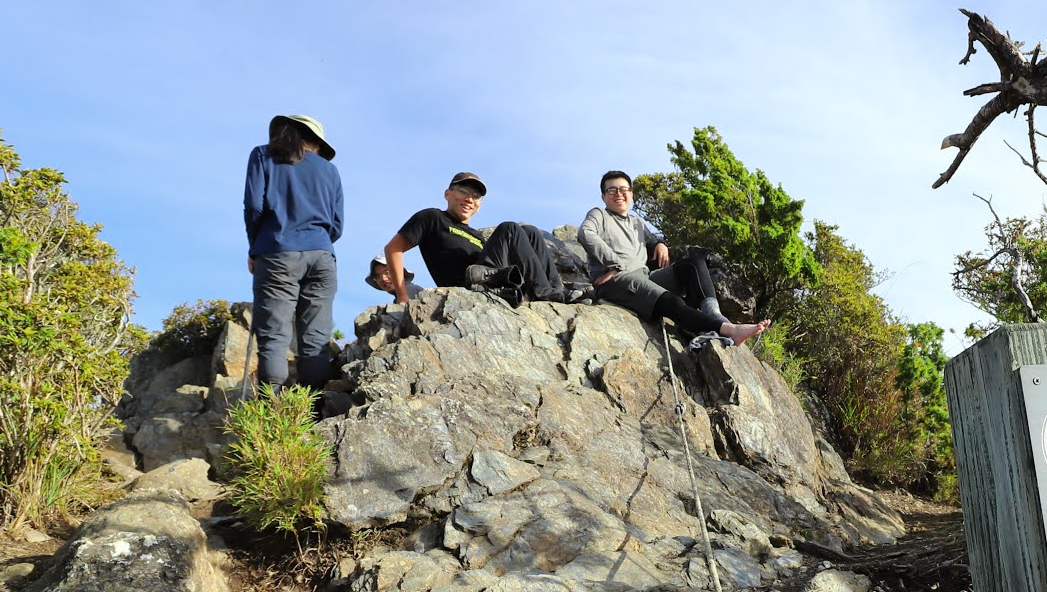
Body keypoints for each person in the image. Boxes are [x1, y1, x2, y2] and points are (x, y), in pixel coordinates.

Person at [580, 170, 769, 347]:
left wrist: (660, 244)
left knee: (693, 265)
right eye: (612, 190)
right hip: (617, 281)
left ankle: (714, 316)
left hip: (644, 276)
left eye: (623, 189)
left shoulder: (637, 223)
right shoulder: (599, 215)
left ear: (631, 194)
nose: (618, 194)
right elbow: (585, 233)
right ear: (603, 196)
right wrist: (615, 264)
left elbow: (653, 239)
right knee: (671, 301)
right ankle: (730, 330)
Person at [244, 113, 342, 390]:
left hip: (277, 251)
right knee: (316, 341)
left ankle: (272, 408)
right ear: (316, 143)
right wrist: (316, 240)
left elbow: (254, 206)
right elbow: (337, 224)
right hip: (322, 255)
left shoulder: (262, 156)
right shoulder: (329, 170)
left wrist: (255, 246)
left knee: (274, 336)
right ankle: (314, 409)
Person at [377, 172, 579, 305]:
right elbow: (393, 249)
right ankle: (545, 293)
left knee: (530, 232)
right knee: (509, 228)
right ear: (447, 194)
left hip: (497, 277)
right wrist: (402, 295)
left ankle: (556, 290)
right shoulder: (432, 218)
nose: (469, 199)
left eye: (475, 196)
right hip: (468, 286)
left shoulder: (477, 236)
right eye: (463, 192)